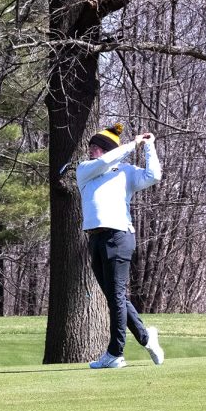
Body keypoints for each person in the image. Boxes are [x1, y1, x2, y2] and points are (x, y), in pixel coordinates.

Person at [76, 123, 165, 369]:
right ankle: (147, 338)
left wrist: (148, 146)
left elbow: (153, 176)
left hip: (119, 236)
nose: (92, 150)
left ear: (106, 149)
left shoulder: (125, 172)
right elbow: (105, 163)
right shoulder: (85, 169)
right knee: (114, 297)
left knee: (115, 296)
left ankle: (115, 353)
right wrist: (131, 144)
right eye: (91, 146)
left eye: (97, 147)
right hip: (94, 238)